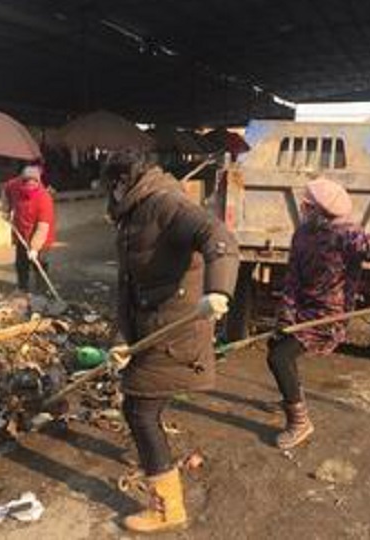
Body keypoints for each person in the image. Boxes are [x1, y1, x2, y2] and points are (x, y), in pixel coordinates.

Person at [106, 152, 239, 533]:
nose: (108, 195)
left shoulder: (166, 204)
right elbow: (129, 286)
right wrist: (120, 340)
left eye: (110, 186)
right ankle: (157, 465)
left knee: (139, 410)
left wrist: (218, 291)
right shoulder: (134, 214)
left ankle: (167, 509)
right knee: (142, 408)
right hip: (151, 327)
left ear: (123, 182)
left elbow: (218, 237)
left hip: (176, 330)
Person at [269, 177, 370, 450]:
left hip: (329, 316)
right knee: (277, 345)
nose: (302, 208)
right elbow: (292, 278)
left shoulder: (347, 236)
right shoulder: (302, 234)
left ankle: (300, 422)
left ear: (319, 211)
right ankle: (292, 395)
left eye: (307, 205)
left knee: (279, 357)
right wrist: (285, 315)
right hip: (303, 310)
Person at [1, 162, 56, 292]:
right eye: (27, 183)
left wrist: (34, 248)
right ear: (22, 181)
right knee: (21, 262)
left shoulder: (44, 198)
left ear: (38, 182)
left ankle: (42, 290)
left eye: (33, 183)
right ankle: (22, 288)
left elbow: (42, 229)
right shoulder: (14, 185)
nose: (30, 186)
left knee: (39, 262)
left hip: (42, 236)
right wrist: (6, 209)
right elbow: (5, 190)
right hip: (21, 230)